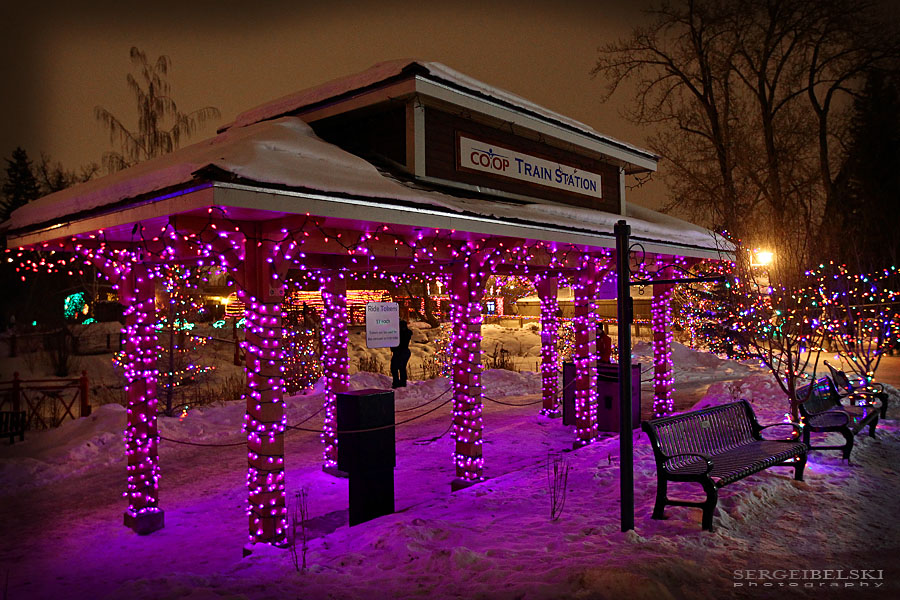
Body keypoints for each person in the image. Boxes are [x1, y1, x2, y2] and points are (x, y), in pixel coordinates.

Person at [391, 320, 413, 388]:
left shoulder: (399, 333)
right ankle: (402, 382)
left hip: (399, 352)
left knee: (394, 368)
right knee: (402, 368)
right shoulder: (407, 333)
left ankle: (396, 383)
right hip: (405, 352)